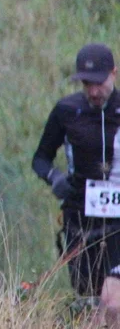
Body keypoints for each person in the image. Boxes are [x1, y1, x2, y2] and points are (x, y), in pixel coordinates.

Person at [33, 43, 120, 323]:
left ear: (114, 74)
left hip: (119, 225)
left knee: (113, 302)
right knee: (89, 307)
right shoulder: (67, 111)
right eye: (86, 84)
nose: (93, 92)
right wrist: (54, 178)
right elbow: (40, 159)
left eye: (99, 83)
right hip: (79, 222)